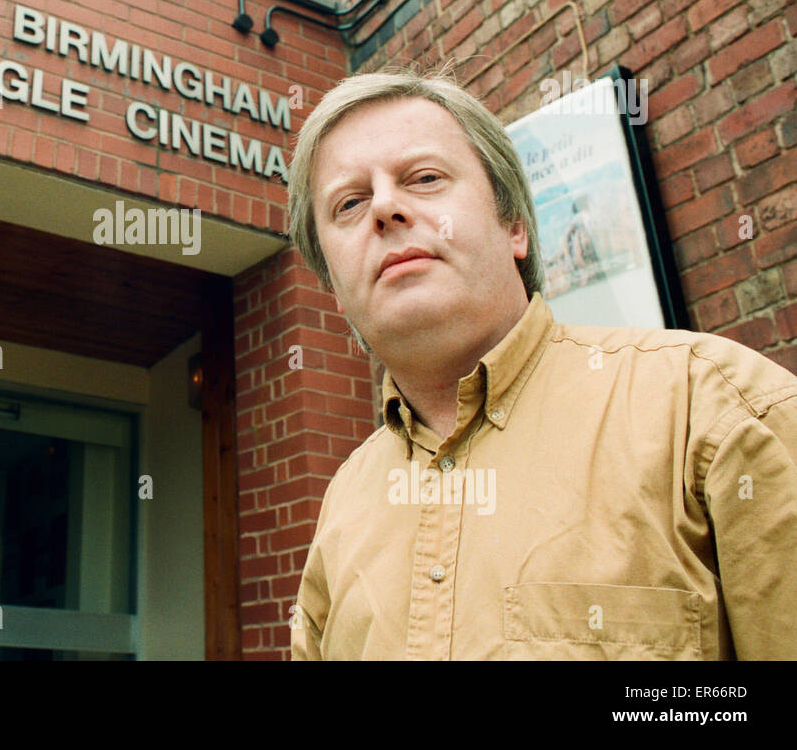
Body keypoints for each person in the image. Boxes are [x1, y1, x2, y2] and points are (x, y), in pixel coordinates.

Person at [285, 66, 797, 659]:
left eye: (424, 178)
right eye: (348, 203)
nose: (385, 208)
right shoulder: (344, 503)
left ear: (515, 227)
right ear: (334, 289)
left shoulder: (712, 406)